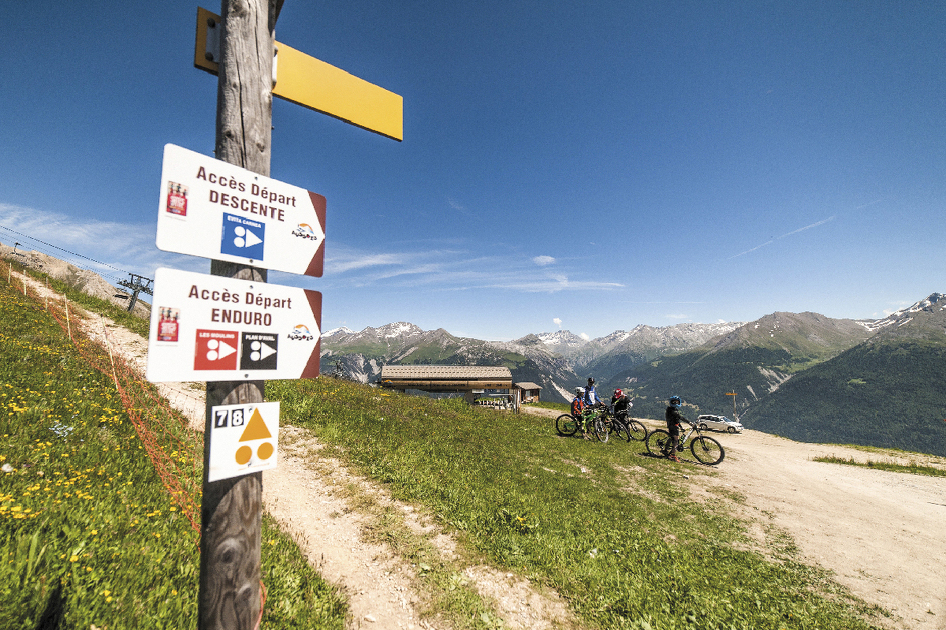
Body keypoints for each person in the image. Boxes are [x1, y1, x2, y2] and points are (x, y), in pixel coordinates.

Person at [665, 395, 688, 462]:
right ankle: (672, 455)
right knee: (676, 441)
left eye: (677, 402)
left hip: (671, 425)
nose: (675, 403)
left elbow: (676, 419)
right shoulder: (674, 411)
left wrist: (680, 427)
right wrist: (689, 423)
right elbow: (680, 417)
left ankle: (665, 449)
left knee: (671, 437)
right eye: (674, 402)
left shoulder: (670, 409)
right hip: (673, 427)